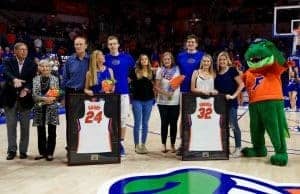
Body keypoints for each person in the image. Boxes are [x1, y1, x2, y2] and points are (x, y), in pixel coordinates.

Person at [2, 42, 37, 160]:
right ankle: (11, 150)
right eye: (21, 49)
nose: (24, 51)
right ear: (15, 51)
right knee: (11, 126)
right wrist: (14, 79)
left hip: (25, 98)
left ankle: (23, 151)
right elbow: (6, 73)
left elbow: (32, 79)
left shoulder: (31, 63)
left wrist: (26, 89)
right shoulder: (8, 61)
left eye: (25, 49)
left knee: (25, 126)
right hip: (10, 98)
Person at [105, 35, 135, 156]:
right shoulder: (104, 58)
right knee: (110, 120)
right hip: (108, 94)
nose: (112, 46)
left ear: (118, 45)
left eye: (114, 43)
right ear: (108, 46)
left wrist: (130, 78)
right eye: (110, 44)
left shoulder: (127, 57)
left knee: (122, 119)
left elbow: (136, 69)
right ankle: (111, 143)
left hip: (123, 93)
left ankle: (120, 144)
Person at [176, 34, 204, 155]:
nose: (191, 44)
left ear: (196, 44)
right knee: (183, 117)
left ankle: (196, 142)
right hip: (183, 90)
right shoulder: (180, 56)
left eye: (193, 42)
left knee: (196, 117)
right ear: (186, 44)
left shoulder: (202, 55)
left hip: (197, 90)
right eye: (189, 42)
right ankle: (183, 143)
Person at [214, 51, 244, 157]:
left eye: (224, 59)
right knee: (223, 126)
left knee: (234, 125)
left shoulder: (232, 71)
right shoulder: (216, 73)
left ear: (228, 61)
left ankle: (238, 148)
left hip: (231, 103)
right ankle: (225, 147)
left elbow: (241, 85)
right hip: (220, 104)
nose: (222, 61)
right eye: (220, 60)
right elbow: (216, 89)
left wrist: (233, 96)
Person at [62, 36, 89, 150]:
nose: (78, 46)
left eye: (80, 44)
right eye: (76, 44)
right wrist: (63, 96)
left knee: (84, 120)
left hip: (85, 93)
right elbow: (64, 79)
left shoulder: (91, 60)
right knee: (70, 121)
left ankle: (83, 143)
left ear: (86, 46)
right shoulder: (70, 60)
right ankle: (70, 145)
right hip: (70, 93)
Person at [32, 59, 59, 161]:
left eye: (47, 66)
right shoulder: (35, 79)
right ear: (39, 68)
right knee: (41, 131)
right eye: (42, 66)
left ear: (50, 68)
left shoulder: (55, 79)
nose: (45, 68)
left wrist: (50, 99)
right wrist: (45, 99)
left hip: (52, 107)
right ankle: (42, 152)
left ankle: (50, 153)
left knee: (52, 131)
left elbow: (55, 93)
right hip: (39, 108)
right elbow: (35, 95)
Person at [155, 52, 181, 153]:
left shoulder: (177, 69)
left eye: (168, 59)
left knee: (173, 123)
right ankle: (163, 144)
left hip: (175, 101)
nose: (167, 61)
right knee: (164, 123)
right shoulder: (160, 71)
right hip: (162, 101)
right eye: (165, 59)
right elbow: (156, 86)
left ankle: (173, 144)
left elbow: (179, 81)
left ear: (172, 60)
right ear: (162, 60)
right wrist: (166, 93)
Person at [129, 54, 155, 154]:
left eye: (146, 59)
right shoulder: (134, 71)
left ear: (148, 61)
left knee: (145, 123)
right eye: (142, 59)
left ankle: (143, 144)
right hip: (137, 100)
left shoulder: (151, 72)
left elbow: (154, 85)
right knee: (137, 122)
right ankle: (136, 145)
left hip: (149, 100)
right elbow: (129, 82)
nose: (144, 61)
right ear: (139, 61)